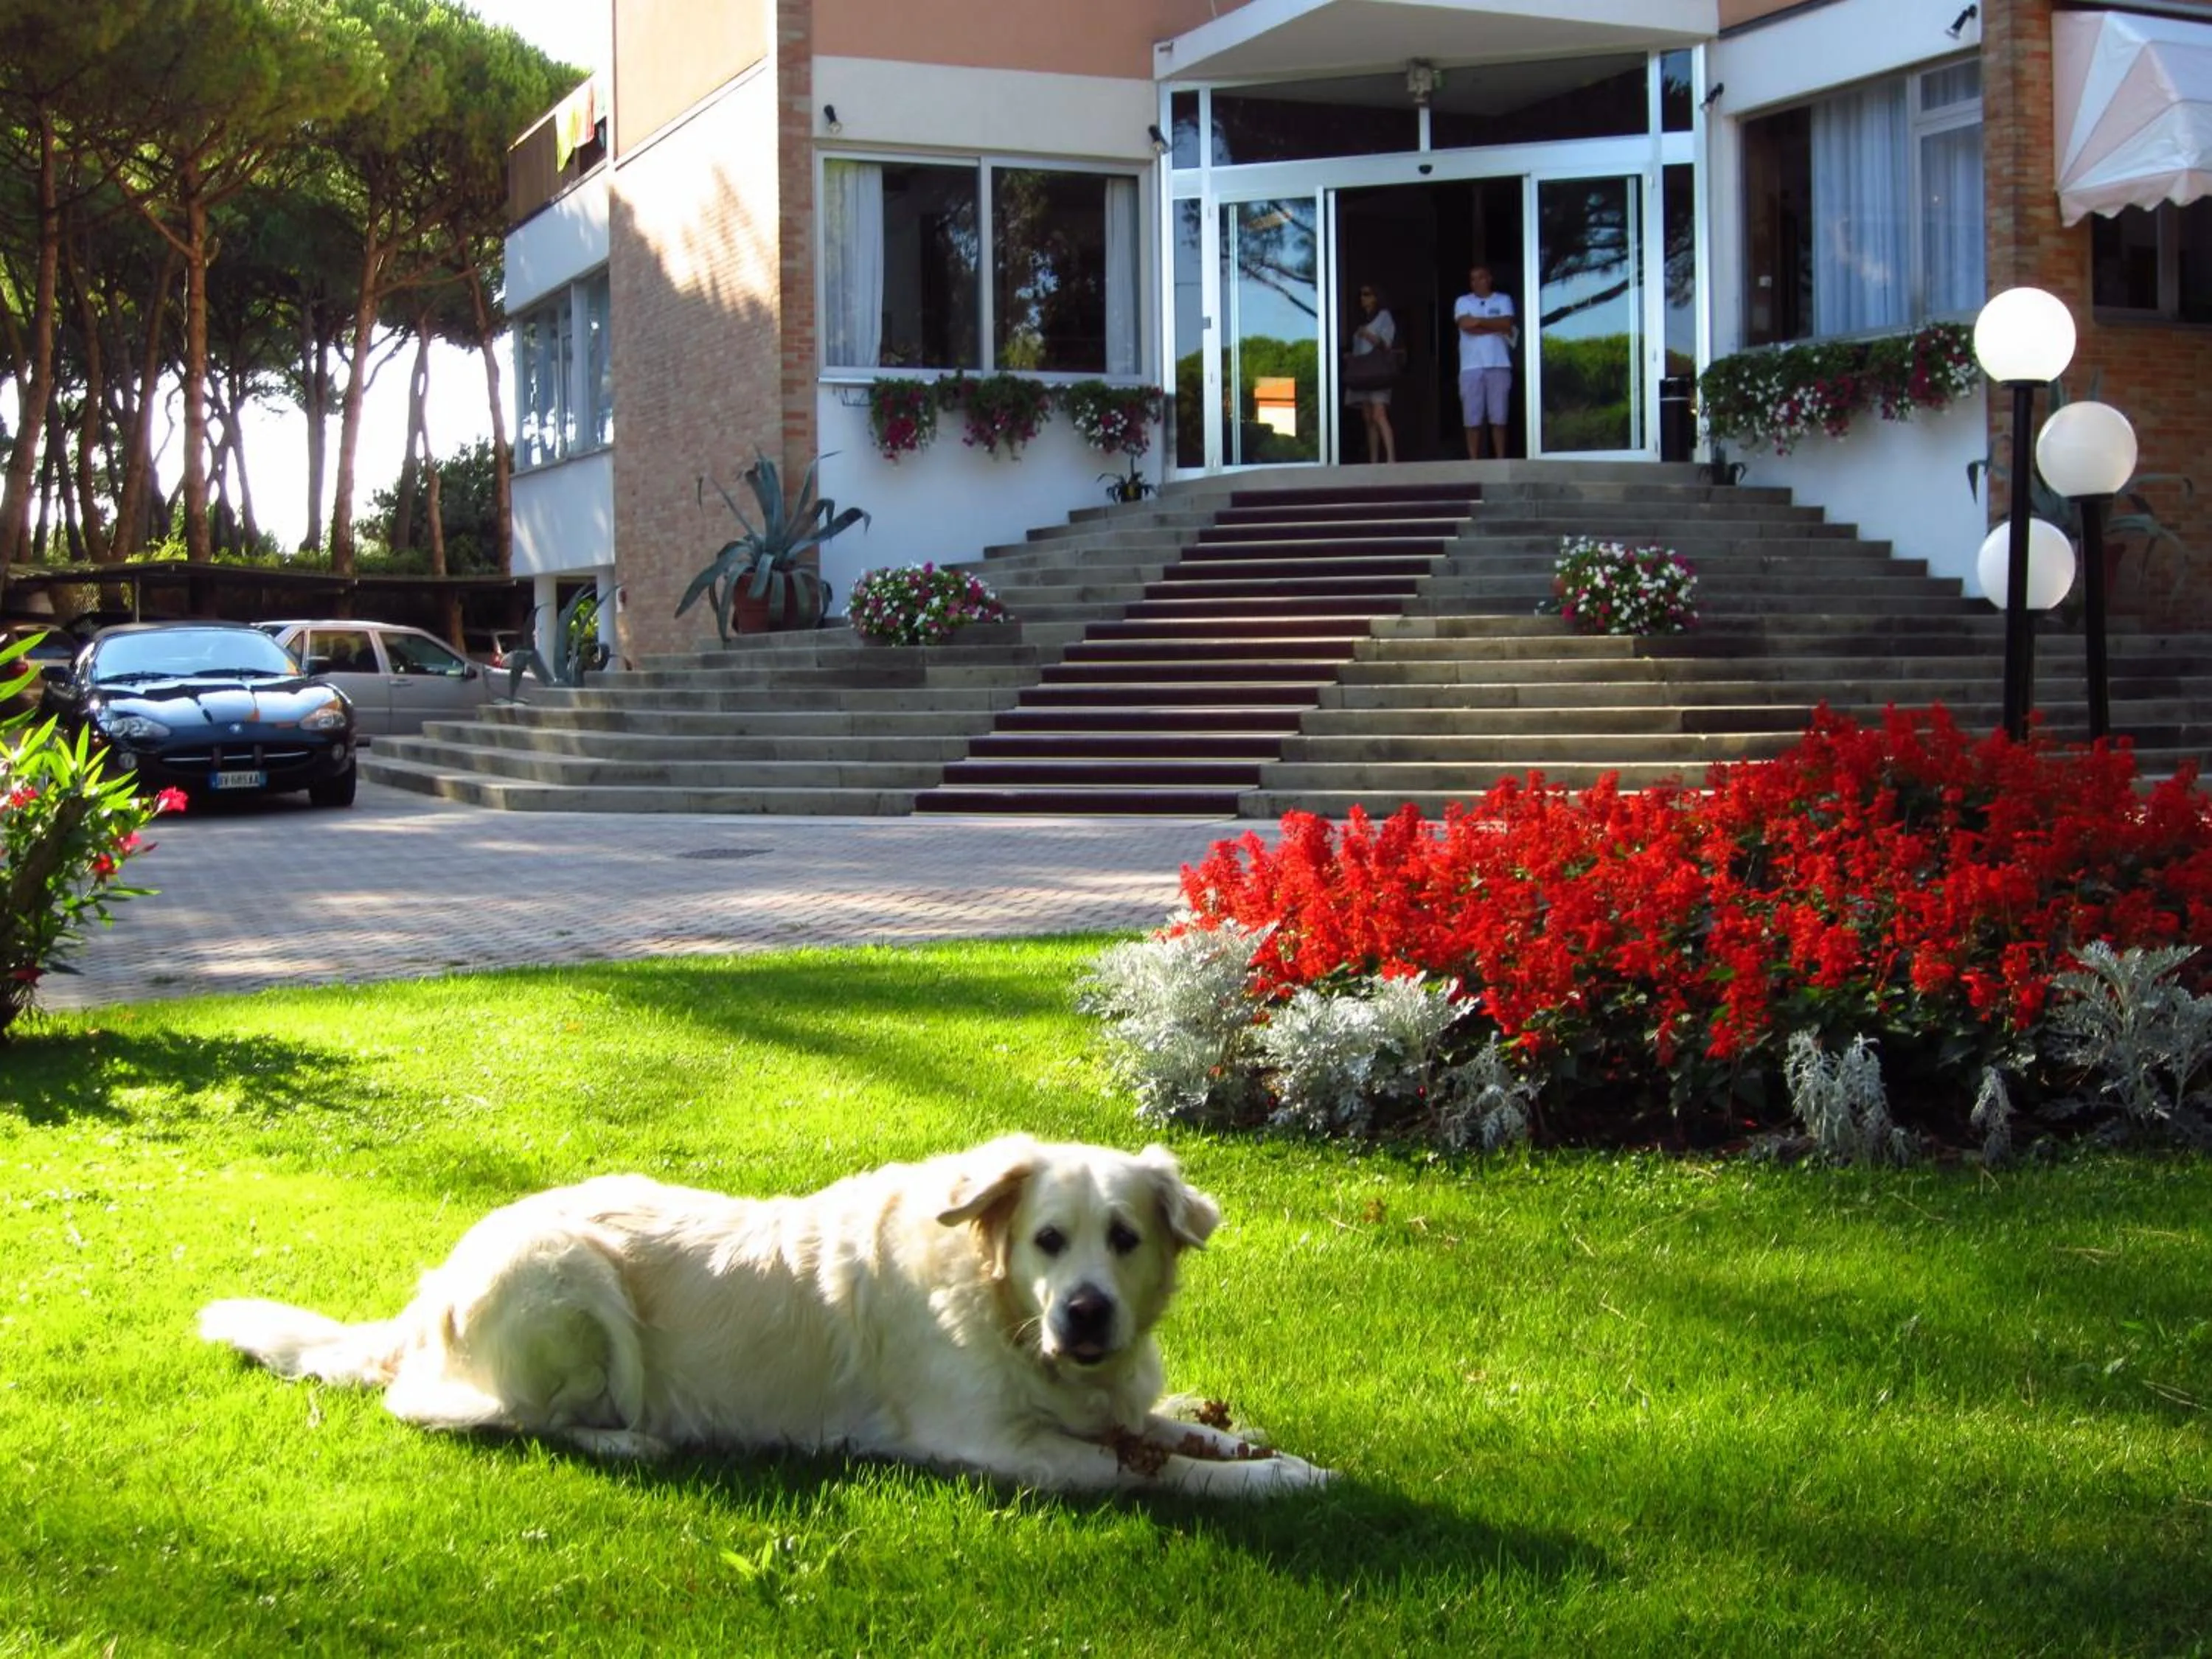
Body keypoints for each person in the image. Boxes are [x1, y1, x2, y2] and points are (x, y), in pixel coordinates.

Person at [1454, 263, 1515, 459]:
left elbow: (1507, 324)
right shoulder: (1463, 301)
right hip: (1470, 366)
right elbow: (1466, 326)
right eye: (1472, 279)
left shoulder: (1503, 299)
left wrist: (1479, 321)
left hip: (1499, 364)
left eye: (1480, 277)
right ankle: (1473, 460)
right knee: (1472, 418)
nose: (1476, 282)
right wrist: (1494, 326)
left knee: (1499, 417)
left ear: (1489, 279)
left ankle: (1500, 459)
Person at [1345, 283, 1398, 465]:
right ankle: (1373, 461)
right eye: (1361, 295)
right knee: (1368, 419)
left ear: (1376, 297)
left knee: (1379, 414)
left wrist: (1366, 334)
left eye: (1367, 294)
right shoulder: (1361, 320)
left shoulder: (1384, 316)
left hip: (1378, 373)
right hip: (1362, 374)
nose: (1363, 298)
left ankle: (1391, 459)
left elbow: (1386, 345)